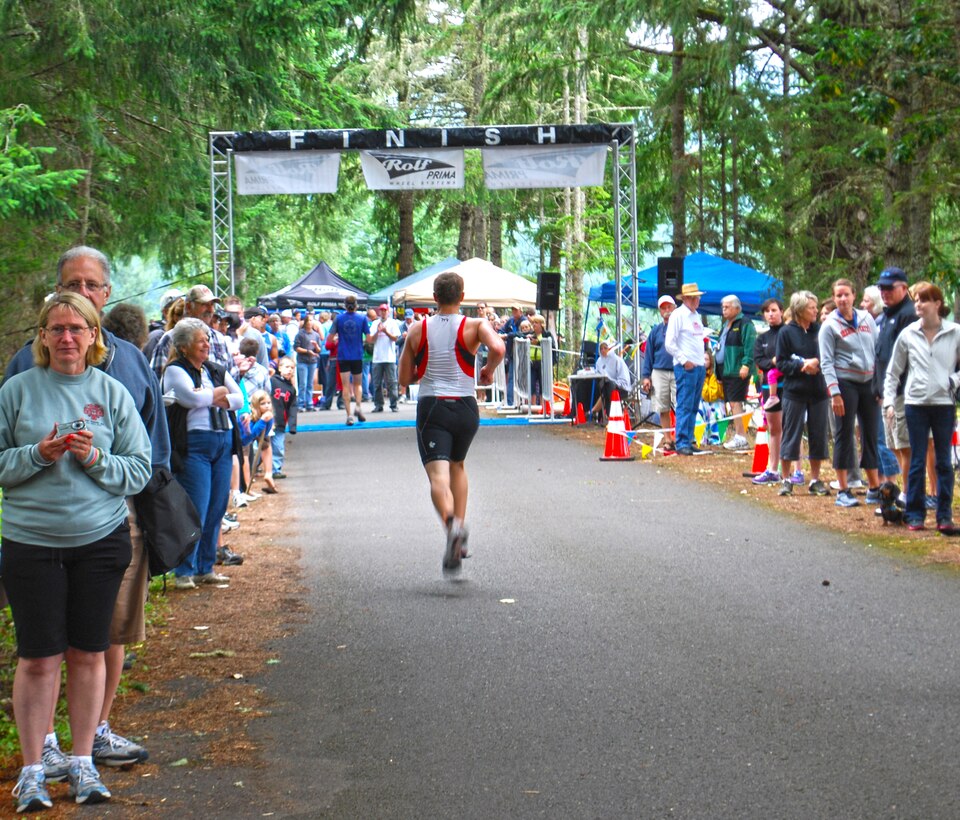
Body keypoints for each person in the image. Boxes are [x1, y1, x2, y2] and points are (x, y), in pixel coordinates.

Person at [4, 246, 170, 776]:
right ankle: (46, 744)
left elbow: (152, 447)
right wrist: (40, 455)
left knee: (106, 635)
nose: (79, 295)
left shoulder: (129, 360)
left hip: (117, 518)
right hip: (38, 530)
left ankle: (93, 734)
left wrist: (134, 492)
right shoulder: (23, 368)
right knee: (44, 643)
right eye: (69, 283)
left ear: (105, 295)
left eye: (90, 285)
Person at [398, 271, 505, 573]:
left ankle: (452, 527)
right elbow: (498, 348)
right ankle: (460, 537)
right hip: (466, 407)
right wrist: (488, 369)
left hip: (433, 407)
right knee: (458, 464)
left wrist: (422, 369)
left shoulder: (418, 329)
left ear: (434, 298)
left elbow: (404, 378)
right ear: (462, 297)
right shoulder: (475, 325)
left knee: (437, 477)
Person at [162, 318, 244, 590]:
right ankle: (184, 570)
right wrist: (218, 394)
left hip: (222, 442)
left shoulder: (215, 369)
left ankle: (205, 567)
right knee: (196, 507)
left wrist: (208, 394)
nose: (207, 345)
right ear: (184, 347)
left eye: (208, 339)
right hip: (195, 444)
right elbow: (191, 400)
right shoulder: (175, 370)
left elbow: (239, 400)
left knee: (217, 506)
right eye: (201, 341)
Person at [883, 284, 960, 532]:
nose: (918, 304)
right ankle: (915, 514)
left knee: (943, 463)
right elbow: (893, 372)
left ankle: (944, 515)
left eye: (924, 300)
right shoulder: (908, 334)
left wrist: (953, 381)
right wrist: (888, 402)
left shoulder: (955, 332)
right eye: (916, 300)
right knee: (916, 459)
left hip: (943, 404)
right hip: (914, 403)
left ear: (937, 303)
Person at [818, 278, 881, 508]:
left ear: (854, 295)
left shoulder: (867, 319)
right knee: (844, 434)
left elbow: (877, 350)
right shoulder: (829, 325)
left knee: (870, 434)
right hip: (845, 383)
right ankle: (843, 489)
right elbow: (826, 362)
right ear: (834, 299)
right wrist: (834, 392)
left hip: (869, 382)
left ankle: (874, 487)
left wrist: (879, 384)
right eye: (838, 296)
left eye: (846, 294)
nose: (843, 299)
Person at [775, 291, 831, 497]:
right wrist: (801, 365)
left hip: (818, 391)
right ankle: (787, 479)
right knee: (791, 434)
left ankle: (815, 479)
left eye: (816, 307)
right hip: (794, 391)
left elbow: (828, 352)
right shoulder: (786, 332)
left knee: (818, 434)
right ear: (799, 310)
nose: (816, 311)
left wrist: (816, 361)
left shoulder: (820, 330)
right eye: (812, 308)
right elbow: (780, 362)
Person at [664, 283, 708, 456]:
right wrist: (684, 360)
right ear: (688, 298)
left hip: (698, 366)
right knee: (684, 403)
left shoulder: (695, 315)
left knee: (693, 405)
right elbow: (669, 343)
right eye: (696, 297)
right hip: (686, 367)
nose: (698, 300)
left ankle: (688, 439)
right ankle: (682, 441)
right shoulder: (678, 315)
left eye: (698, 297)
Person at [715, 295, 756, 451]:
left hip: (737, 370)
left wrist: (746, 364)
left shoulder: (745, 324)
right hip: (725, 370)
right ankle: (739, 435)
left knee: (735, 402)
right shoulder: (726, 325)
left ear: (737, 308)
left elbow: (750, 346)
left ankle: (741, 436)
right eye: (723, 307)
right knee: (732, 402)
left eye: (727, 307)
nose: (723, 310)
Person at [752, 298, 785, 484]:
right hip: (768, 388)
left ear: (781, 311)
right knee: (774, 428)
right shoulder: (762, 338)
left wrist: (779, 363)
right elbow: (759, 360)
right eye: (767, 311)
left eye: (774, 310)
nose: (771, 314)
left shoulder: (788, 333)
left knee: (789, 427)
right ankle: (772, 468)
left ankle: (795, 470)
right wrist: (772, 363)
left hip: (787, 386)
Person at [641, 295, 677, 452]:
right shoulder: (655, 331)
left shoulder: (680, 328)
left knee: (680, 405)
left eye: (669, 307)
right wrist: (646, 377)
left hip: (678, 371)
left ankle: (681, 437)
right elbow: (648, 355)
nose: (667, 310)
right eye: (664, 308)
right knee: (663, 407)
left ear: (675, 308)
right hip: (659, 371)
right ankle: (668, 439)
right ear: (660, 311)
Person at [334, 295, 371, 425]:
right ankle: (358, 406)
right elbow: (369, 338)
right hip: (357, 354)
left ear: (345, 305)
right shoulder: (362, 319)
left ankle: (349, 415)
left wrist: (337, 339)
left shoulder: (338, 319)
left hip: (343, 355)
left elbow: (330, 337)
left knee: (345, 386)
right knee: (358, 384)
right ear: (356, 305)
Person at [368, 303, 401, 413]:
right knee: (377, 383)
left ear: (388, 312)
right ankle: (378, 404)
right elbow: (371, 340)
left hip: (389, 357)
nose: (383, 312)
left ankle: (393, 404)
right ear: (379, 312)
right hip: (377, 358)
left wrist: (386, 331)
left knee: (392, 382)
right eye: (381, 310)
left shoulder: (392, 323)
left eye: (385, 310)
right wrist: (378, 331)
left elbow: (395, 338)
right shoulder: (375, 323)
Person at [270, 357, 297, 479]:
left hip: (280, 423)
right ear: (279, 368)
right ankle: (259, 467)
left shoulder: (291, 389)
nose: (290, 370)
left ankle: (276, 469)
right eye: (287, 367)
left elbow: (292, 408)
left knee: (278, 447)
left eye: (292, 368)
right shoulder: (272, 381)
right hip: (267, 420)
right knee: (262, 446)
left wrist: (292, 425)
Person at [593, 340, 633, 423]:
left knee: (608, 386)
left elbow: (623, 379)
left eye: (605, 348)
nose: (603, 350)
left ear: (610, 349)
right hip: (606, 386)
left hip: (621, 388)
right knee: (602, 387)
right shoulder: (599, 361)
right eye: (601, 349)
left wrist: (612, 381)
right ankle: (597, 413)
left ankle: (597, 412)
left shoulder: (617, 360)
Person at [294, 314, 321, 411]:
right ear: (305, 322)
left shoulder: (316, 335)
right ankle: (301, 404)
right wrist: (307, 351)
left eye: (311, 320)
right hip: (303, 361)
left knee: (310, 383)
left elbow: (319, 350)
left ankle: (309, 403)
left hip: (312, 361)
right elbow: (296, 347)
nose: (310, 322)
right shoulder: (300, 334)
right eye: (308, 320)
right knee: (303, 383)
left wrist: (316, 346)